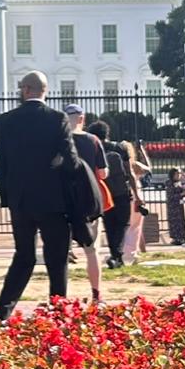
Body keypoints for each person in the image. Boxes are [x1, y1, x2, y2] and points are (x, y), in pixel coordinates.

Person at [0, 71, 82, 320]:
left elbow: (0, 164)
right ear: (45, 90)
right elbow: (71, 160)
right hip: (53, 199)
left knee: (24, 256)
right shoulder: (57, 118)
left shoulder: (7, 120)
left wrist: (8, 198)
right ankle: (57, 311)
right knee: (57, 259)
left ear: (25, 90)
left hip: (20, 201)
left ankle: (4, 309)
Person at [64, 104, 109, 303]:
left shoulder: (59, 141)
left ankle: (60, 298)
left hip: (63, 199)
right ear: (82, 119)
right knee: (92, 251)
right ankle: (96, 294)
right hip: (89, 200)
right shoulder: (93, 140)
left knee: (59, 252)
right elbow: (103, 173)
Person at [87, 120, 133, 268]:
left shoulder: (92, 149)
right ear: (107, 133)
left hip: (103, 194)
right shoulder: (119, 148)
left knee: (110, 225)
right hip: (122, 192)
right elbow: (129, 172)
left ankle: (116, 256)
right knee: (122, 225)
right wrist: (137, 195)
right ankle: (116, 256)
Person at [165, 167, 185, 245]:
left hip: (179, 205)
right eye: (177, 174)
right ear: (172, 174)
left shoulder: (179, 182)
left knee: (180, 221)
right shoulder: (169, 183)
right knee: (175, 222)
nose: (178, 175)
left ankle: (181, 238)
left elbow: (182, 190)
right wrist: (182, 194)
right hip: (173, 206)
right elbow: (171, 196)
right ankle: (176, 238)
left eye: (179, 174)